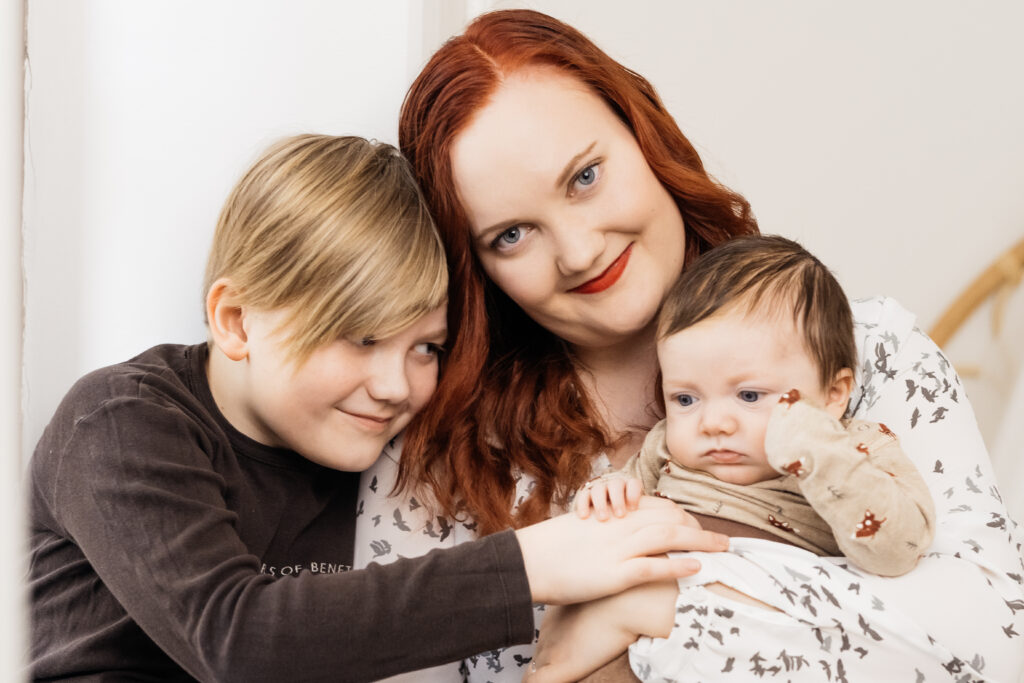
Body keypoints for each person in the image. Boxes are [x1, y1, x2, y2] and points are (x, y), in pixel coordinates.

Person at [356, 8, 1024, 683]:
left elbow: (998, 644)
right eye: (511, 235)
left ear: (646, 136)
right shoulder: (441, 449)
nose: (579, 252)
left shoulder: (869, 351)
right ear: (478, 269)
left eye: (585, 177)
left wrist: (659, 608)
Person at [26, 134, 728, 682]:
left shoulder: (366, 451)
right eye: (360, 338)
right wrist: (528, 565)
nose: (395, 385)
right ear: (237, 321)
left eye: (426, 347)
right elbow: (237, 639)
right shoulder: (120, 422)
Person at [557, 235, 945, 681]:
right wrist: (607, 493)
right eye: (685, 399)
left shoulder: (857, 449)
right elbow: (602, 524)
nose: (713, 423)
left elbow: (898, 552)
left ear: (834, 395)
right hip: (636, 641)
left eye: (749, 395)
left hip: (760, 641)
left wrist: (819, 448)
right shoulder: (664, 447)